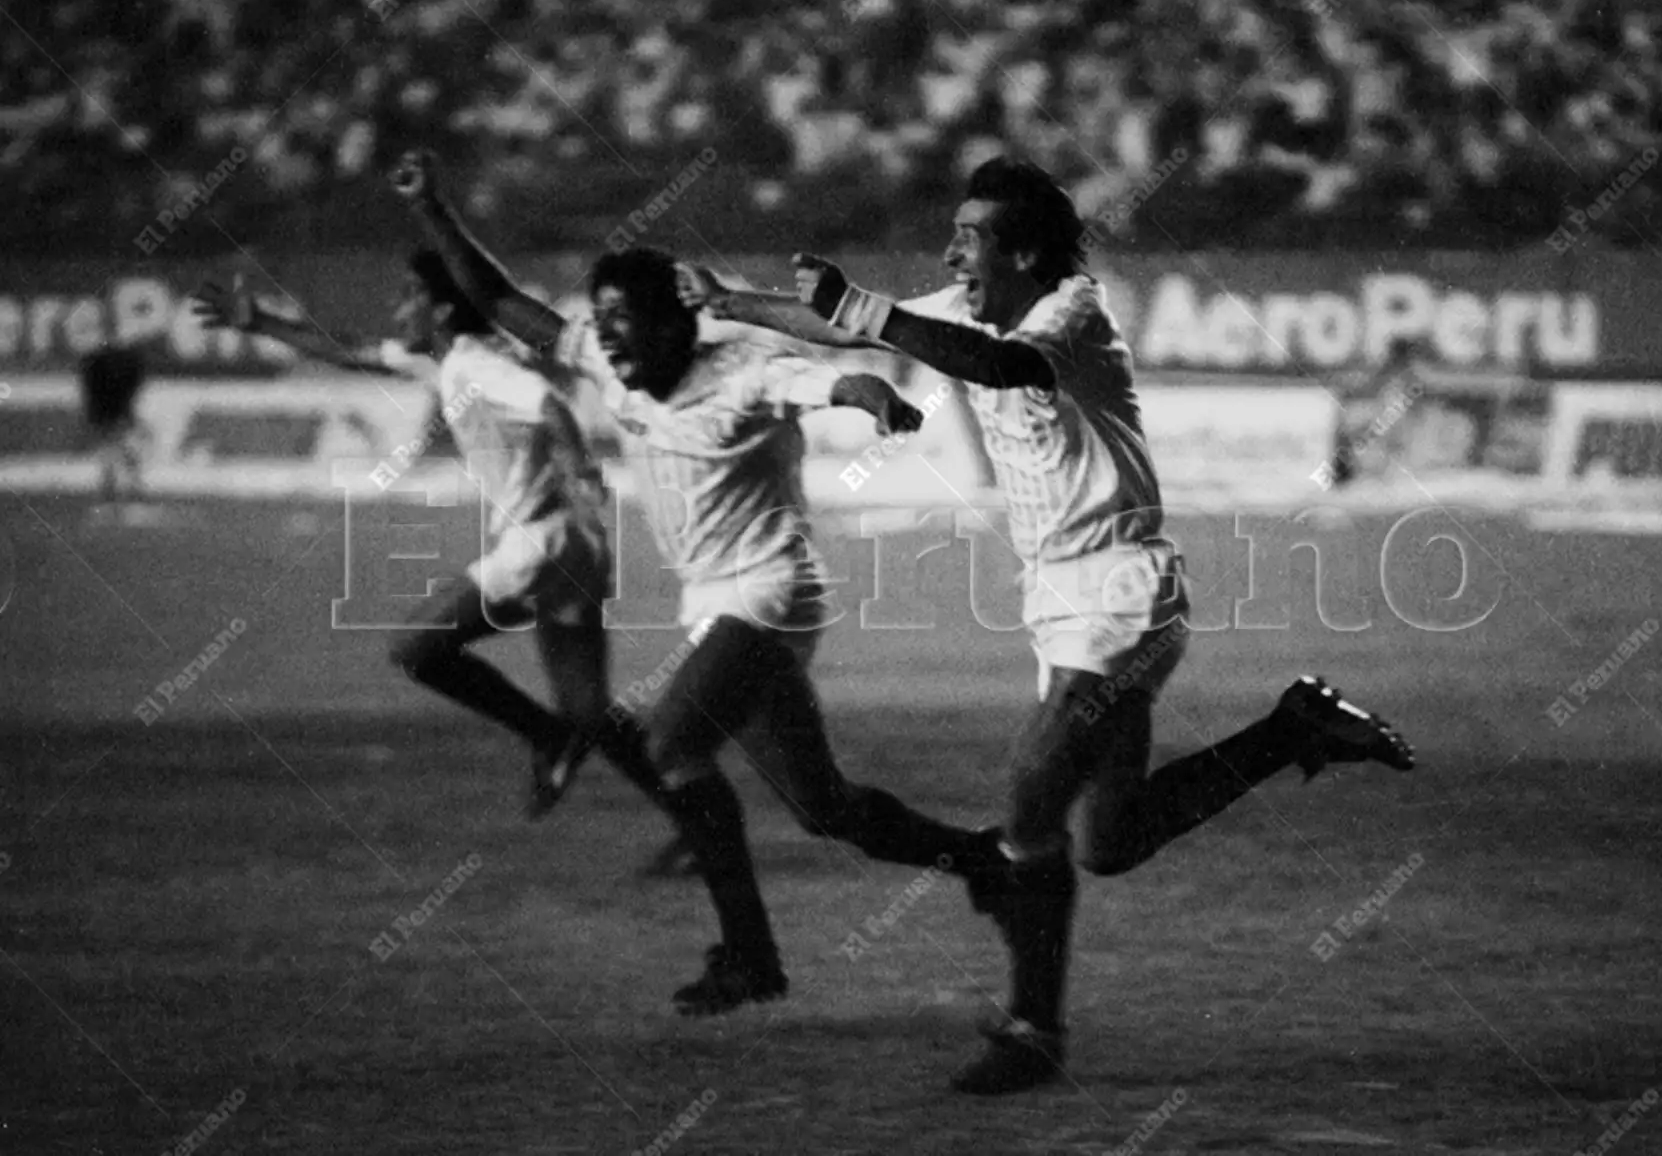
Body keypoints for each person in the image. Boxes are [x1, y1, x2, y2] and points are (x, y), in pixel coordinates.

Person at [683, 155, 1416, 1093]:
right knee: (1110, 841)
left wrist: (869, 311)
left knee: (1029, 801)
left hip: (1122, 589)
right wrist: (731, 303)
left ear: (1025, 252)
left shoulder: (1071, 310)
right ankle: (1294, 727)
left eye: (969, 237)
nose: (952, 252)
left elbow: (1002, 364)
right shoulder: (965, 306)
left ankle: (1033, 1031)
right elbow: (838, 324)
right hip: (1056, 599)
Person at [389, 148, 1015, 1018]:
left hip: (771, 590)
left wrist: (879, 401)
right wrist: (434, 210)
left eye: (621, 322)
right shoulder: (615, 366)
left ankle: (751, 957)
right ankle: (987, 863)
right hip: (714, 601)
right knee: (823, 807)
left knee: (673, 743)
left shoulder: (743, 372)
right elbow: (499, 303)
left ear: (674, 323)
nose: (603, 338)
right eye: (598, 322)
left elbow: (840, 376)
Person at [189, 258, 694, 876]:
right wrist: (260, 320)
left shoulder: (480, 367)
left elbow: (549, 403)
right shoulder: (447, 359)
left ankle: (545, 735)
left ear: (444, 310)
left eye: (410, 296)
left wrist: (583, 474)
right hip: (572, 543)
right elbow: (354, 353)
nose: (399, 310)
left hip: (543, 542)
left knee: (416, 648)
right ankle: (698, 821)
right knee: (590, 710)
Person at [77, 344, 150, 513]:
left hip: (111, 412)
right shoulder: (106, 376)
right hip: (110, 412)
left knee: (116, 450)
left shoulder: (104, 374)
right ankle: (120, 491)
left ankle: (121, 491)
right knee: (116, 450)